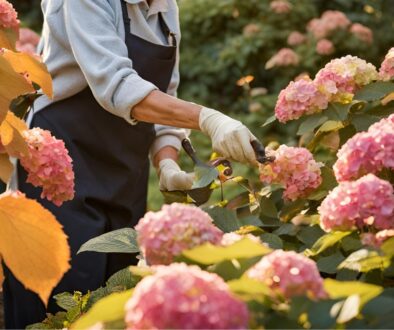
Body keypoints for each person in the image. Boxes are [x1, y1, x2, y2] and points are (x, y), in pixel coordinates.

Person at [3, 0, 260, 328]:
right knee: (59, 298)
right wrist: (208, 118)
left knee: (116, 297)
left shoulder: (165, 7)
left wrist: (166, 161)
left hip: (125, 171)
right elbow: (117, 85)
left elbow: (166, 89)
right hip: (61, 163)